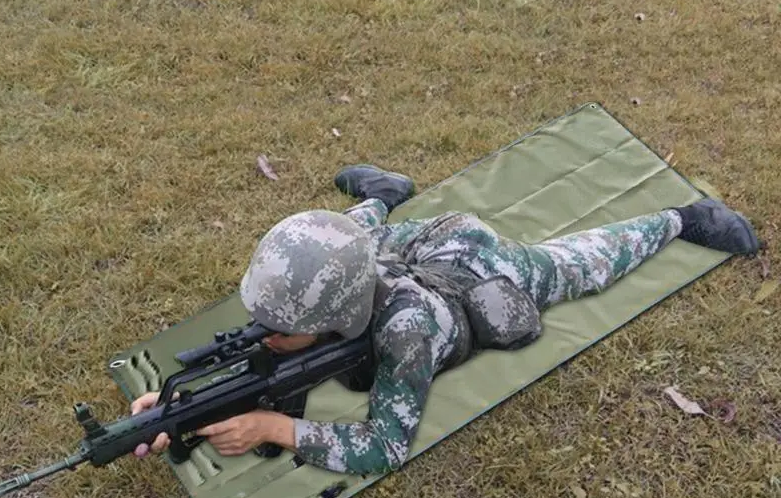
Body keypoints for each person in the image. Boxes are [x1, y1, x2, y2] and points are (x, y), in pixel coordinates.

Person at [130, 165, 760, 475]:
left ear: (339, 320)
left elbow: (385, 445)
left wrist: (276, 428)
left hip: (469, 263)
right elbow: (269, 358)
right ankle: (385, 195)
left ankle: (685, 218)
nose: (266, 336)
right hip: (392, 251)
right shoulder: (329, 283)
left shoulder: (407, 332)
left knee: (578, 266)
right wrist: (179, 408)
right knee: (351, 234)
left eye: (280, 330)